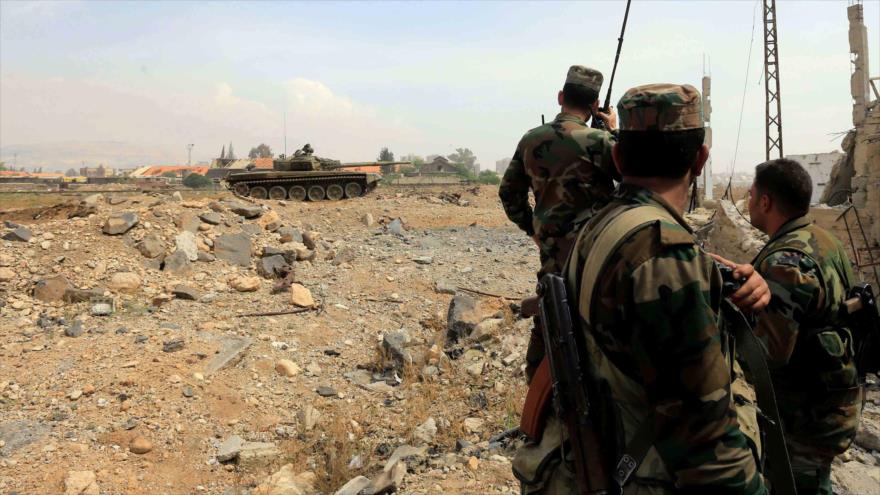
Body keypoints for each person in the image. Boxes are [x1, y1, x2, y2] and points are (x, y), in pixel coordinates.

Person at [514, 83, 770, 494]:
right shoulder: (663, 256)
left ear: (618, 156)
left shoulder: (602, 226)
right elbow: (708, 450)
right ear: (701, 159)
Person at [743, 158, 862, 495]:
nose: (748, 203)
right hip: (831, 401)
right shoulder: (823, 240)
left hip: (803, 416)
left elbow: (767, 353)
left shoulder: (786, 261)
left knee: (799, 485)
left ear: (765, 202)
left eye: (751, 195)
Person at [499, 65, 620, 379]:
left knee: (552, 312)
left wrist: (534, 230)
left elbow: (509, 194)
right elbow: (636, 182)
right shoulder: (601, 142)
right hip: (598, 254)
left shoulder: (531, 140)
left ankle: (538, 389)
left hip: (552, 253)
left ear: (560, 97)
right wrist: (613, 131)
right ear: (595, 106)